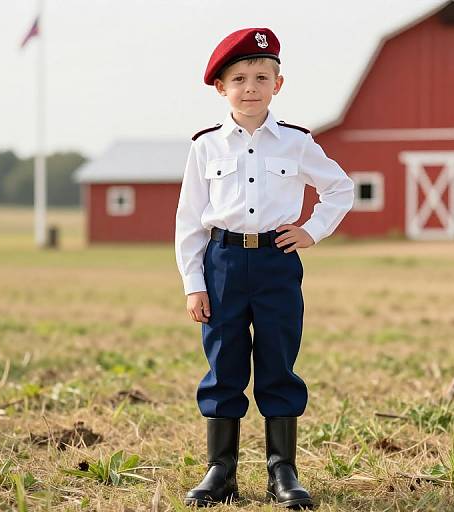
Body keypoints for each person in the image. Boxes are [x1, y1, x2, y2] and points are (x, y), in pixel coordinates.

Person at [175, 27, 354, 508]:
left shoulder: (296, 143)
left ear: (279, 83)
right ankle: (221, 470)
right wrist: (195, 284)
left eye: (261, 76)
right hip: (223, 262)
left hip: (277, 262)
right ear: (221, 88)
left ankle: (282, 470)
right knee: (224, 362)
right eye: (239, 78)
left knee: (278, 358)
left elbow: (340, 188)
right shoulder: (205, 147)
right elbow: (189, 220)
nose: (250, 87)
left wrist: (311, 231)